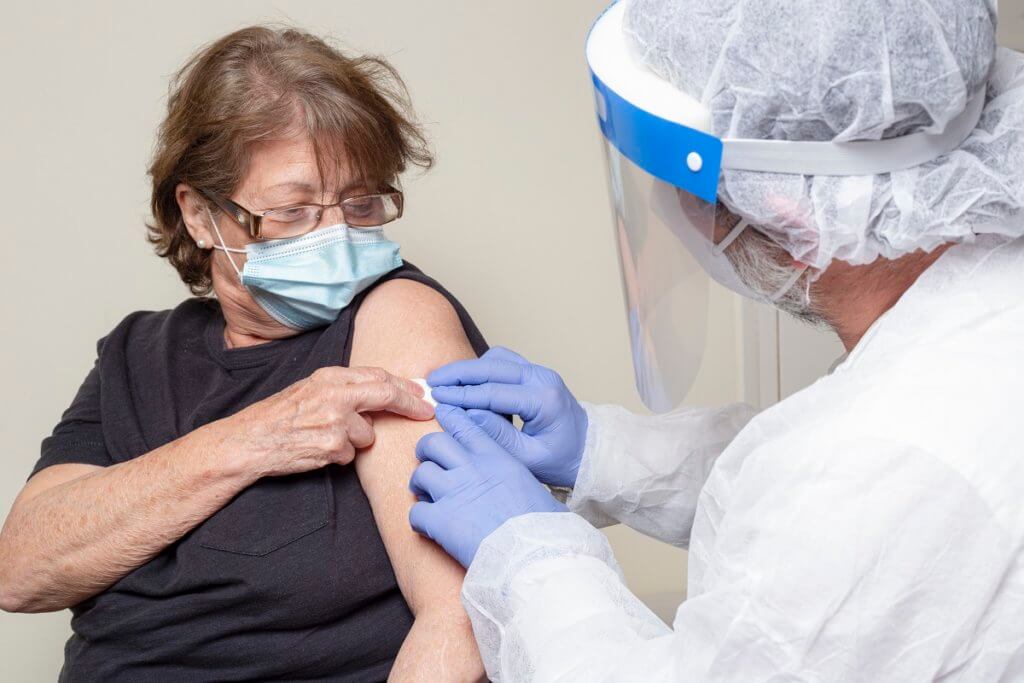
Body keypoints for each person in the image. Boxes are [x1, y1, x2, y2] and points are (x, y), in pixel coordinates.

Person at [408, 0, 1024, 680]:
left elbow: (833, 509)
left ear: (794, 226)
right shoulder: (971, 292)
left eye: (681, 189)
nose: (667, 211)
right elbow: (793, 492)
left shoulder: (887, 460)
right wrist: (600, 452)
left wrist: (526, 555)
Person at [0, 27, 487, 681]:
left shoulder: (393, 316)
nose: (338, 234)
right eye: (292, 210)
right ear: (199, 215)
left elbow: (460, 616)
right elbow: (22, 570)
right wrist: (250, 440)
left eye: (362, 200)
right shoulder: (138, 354)